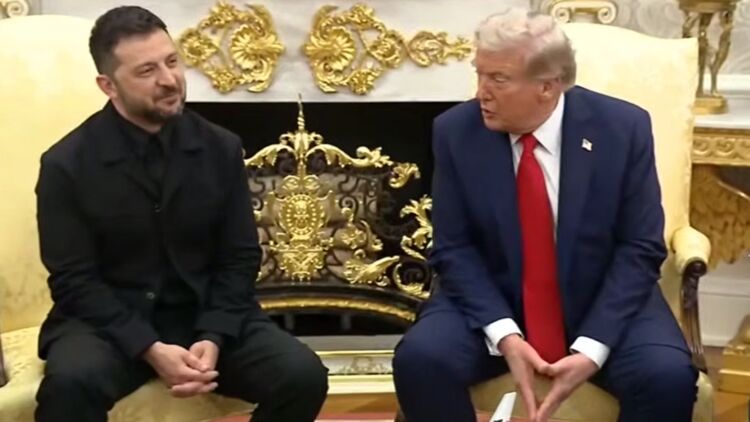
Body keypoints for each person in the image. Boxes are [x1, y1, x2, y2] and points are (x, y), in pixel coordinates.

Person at [393, 9, 697, 422]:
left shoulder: (621, 128)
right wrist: (504, 334)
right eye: (479, 74)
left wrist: (592, 349)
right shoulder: (456, 131)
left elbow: (640, 246)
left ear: (548, 86)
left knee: (667, 377)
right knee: (420, 359)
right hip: (494, 299)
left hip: (603, 299)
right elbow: (454, 248)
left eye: (498, 79)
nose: (481, 92)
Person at [34, 6, 328, 422]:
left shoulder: (220, 147)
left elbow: (240, 256)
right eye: (147, 71)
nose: (169, 80)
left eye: (172, 61)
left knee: (302, 376)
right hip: (108, 324)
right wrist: (148, 347)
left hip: (202, 316)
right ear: (108, 85)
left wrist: (214, 335)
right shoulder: (66, 164)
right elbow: (73, 280)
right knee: (70, 384)